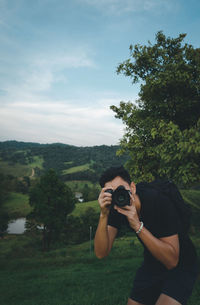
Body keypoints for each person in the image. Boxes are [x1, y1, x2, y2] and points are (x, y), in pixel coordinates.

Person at [94, 166, 198, 305]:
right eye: (111, 193)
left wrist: (137, 225)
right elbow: (101, 252)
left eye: (121, 190)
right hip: (152, 261)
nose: (119, 196)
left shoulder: (157, 201)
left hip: (181, 262)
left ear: (133, 187)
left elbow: (172, 261)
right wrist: (103, 215)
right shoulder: (116, 206)